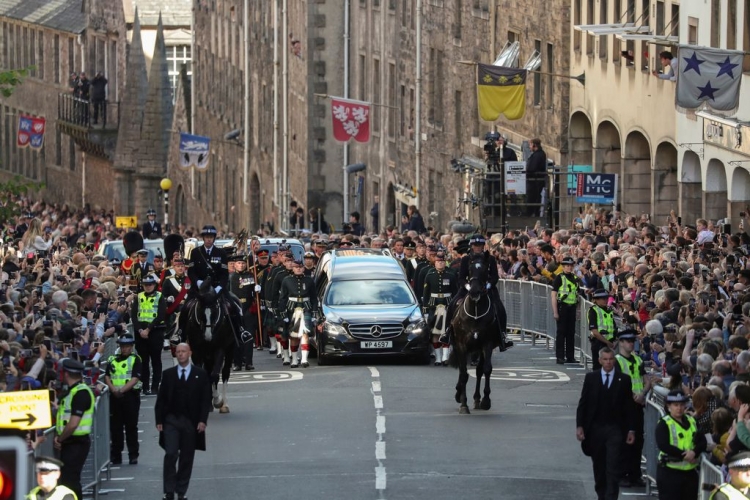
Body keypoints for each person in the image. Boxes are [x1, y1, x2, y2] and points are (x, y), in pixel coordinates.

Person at [576, 347, 636, 500]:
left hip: (615, 429)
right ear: (600, 360)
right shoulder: (591, 378)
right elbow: (583, 403)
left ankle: (611, 497)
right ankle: (601, 495)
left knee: (613, 466)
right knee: (599, 466)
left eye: (611, 359)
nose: (608, 362)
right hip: (595, 429)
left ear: (614, 361)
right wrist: (580, 426)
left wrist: (631, 430)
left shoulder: (624, 380)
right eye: (605, 359)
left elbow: (629, 407)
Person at [155, 343, 212, 500]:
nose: (180, 354)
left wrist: (202, 421)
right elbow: (161, 399)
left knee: (187, 457)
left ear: (190, 353)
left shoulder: (200, 374)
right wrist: (159, 420)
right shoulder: (168, 374)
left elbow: (205, 400)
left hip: (191, 421)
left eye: (183, 351)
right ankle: (169, 491)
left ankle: (181, 491)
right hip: (171, 420)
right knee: (171, 453)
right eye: (178, 352)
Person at [438, 234, 512, 351]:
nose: (477, 248)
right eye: (475, 245)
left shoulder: (490, 259)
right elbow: (461, 277)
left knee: (500, 308)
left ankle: (503, 335)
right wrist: (468, 287)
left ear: (483, 246)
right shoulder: (466, 259)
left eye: (480, 245)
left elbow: (494, 277)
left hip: (486, 288)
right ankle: (447, 333)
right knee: (452, 305)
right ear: (472, 246)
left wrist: (488, 285)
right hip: (468, 288)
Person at [187, 225, 252, 344]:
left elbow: (224, 274)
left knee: (234, 305)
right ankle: (180, 333)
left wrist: (218, 288)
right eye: (206, 237)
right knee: (186, 308)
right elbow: (191, 271)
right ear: (203, 238)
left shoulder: (220, 252)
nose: (208, 239)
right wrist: (198, 282)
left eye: (211, 237)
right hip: (199, 288)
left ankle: (241, 331)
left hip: (216, 288)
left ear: (214, 238)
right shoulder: (196, 252)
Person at [54, 359, 95, 500]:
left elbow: (73, 424)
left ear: (66, 374)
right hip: (71, 443)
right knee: (68, 480)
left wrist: (60, 438)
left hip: (76, 442)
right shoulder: (73, 392)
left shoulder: (81, 393)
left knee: (71, 481)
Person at [615, 329, 651, 488]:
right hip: (623, 407)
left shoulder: (638, 360)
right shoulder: (616, 361)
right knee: (624, 441)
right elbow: (616, 383)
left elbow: (646, 380)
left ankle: (635, 474)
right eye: (628, 341)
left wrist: (642, 393)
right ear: (621, 342)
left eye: (632, 341)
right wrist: (633, 396)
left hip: (637, 405)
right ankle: (622, 474)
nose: (631, 343)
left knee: (638, 441)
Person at [655, 390, 706, 500]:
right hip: (670, 472)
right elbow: (663, 445)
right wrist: (684, 455)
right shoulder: (664, 423)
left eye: (682, 405)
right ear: (669, 406)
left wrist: (694, 452)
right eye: (676, 405)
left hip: (690, 473)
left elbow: (703, 441)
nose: (679, 408)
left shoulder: (692, 421)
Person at [104, 334, 142, 465]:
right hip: (115, 397)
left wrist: (121, 390)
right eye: (122, 346)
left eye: (127, 346)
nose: (124, 349)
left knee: (131, 426)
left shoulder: (135, 359)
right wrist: (113, 389)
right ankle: (116, 455)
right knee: (116, 428)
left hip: (130, 396)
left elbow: (135, 378)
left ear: (131, 347)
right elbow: (107, 376)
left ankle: (133, 455)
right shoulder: (112, 359)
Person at [277, 258, 318, 368]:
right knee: (293, 336)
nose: (298, 269)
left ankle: (304, 359)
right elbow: (283, 298)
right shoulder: (287, 280)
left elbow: (314, 297)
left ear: (303, 268)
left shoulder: (309, 280)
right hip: (291, 309)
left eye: (300, 267)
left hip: (306, 308)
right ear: (293, 268)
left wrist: (314, 312)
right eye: (296, 267)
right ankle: (294, 359)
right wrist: (283, 313)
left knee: (305, 333)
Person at [131, 273, 167, 395]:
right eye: (145, 285)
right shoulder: (138, 296)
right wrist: (140, 330)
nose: (148, 287)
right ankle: (145, 386)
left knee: (156, 360)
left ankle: (155, 387)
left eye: (150, 284)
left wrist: (148, 329)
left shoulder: (160, 296)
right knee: (143, 361)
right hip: (141, 333)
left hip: (155, 331)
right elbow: (134, 315)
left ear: (154, 285)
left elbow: (161, 314)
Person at [422, 251, 457, 365]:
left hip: (448, 304)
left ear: (445, 262)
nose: (440, 264)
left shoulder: (451, 274)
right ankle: (438, 357)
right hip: (434, 305)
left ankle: (445, 357)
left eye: (442, 262)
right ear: (435, 263)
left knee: (446, 331)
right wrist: (426, 309)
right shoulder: (430, 274)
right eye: (438, 262)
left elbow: (455, 292)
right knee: (435, 332)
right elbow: (426, 293)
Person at [229, 252, 259, 371]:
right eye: (238, 263)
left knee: (249, 337)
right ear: (234, 264)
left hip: (247, 308)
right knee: (236, 337)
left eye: (243, 263)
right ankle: (237, 362)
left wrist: (258, 288)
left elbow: (255, 293)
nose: (241, 265)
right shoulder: (230, 277)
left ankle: (249, 362)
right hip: (235, 308)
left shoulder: (251, 276)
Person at [551, 257, 581, 365]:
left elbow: (577, 295)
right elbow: (553, 295)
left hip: (572, 308)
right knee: (561, 333)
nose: (569, 267)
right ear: (563, 267)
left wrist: (578, 310)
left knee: (571, 333)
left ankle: (570, 356)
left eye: (570, 266)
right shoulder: (559, 278)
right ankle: (560, 357)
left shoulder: (575, 278)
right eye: (567, 266)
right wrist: (555, 312)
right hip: (562, 307)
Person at [162, 256, 192, 345]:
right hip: (174, 307)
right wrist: (167, 299)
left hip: (187, 306)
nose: (180, 268)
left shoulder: (189, 279)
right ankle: (168, 336)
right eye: (178, 266)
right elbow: (163, 296)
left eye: (182, 266)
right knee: (170, 316)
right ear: (174, 267)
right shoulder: (168, 281)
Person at [586, 288, 615, 370]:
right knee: (598, 368)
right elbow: (594, 331)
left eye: (607, 298)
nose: (606, 300)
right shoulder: (593, 311)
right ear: (596, 300)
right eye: (603, 298)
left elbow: (613, 326)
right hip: (599, 343)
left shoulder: (609, 310)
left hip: (610, 342)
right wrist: (607, 342)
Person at [526, 138, 547, 217]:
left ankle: (532, 214)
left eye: (530, 145)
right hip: (535, 181)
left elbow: (531, 168)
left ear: (534, 145)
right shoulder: (538, 154)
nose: (530, 147)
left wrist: (526, 171)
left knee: (533, 198)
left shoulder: (538, 155)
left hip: (535, 182)